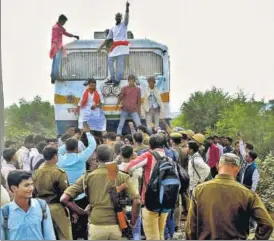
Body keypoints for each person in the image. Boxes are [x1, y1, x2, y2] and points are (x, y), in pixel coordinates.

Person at [60, 144, 141, 240]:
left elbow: (64, 199)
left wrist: (82, 212)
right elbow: (137, 201)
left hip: (96, 225)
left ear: (97, 158)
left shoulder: (88, 177)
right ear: (113, 157)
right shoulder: (122, 177)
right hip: (119, 224)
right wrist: (132, 222)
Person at [186, 153, 274, 240]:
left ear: (217, 166)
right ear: (238, 169)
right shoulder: (247, 194)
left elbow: (191, 228)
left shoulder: (199, 190)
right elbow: (267, 224)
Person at [125, 134, 170, 240]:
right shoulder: (168, 157)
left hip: (150, 200)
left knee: (152, 236)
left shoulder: (148, 155)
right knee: (160, 234)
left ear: (150, 145)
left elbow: (129, 167)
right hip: (166, 200)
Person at [58, 125, 96, 239]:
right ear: (76, 148)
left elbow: (58, 150)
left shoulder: (60, 160)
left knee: (70, 220)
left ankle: (73, 236)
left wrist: (69, 143)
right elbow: (93, 145)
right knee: (84, 219)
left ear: (66, 148)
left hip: (67, 194)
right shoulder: (81, 158)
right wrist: (88, 133)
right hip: (81, 194)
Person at [1, 170, 56, 240]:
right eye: (27, 185)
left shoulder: (42, 206)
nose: (31, 188)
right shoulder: (4, 213)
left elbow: (50, 237)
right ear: (14, 188)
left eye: (31, 184)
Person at [33, 146, 73, 240]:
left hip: (40, 207)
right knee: (65, 235)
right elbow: (66, 192)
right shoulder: (59, 172)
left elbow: (34, 191)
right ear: (55, 157)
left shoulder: (37, 172)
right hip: (56, 207)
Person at [98, 2, 130, 86]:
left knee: (120, 64)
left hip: (122, 47)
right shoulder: (112, 28)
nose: (118, 17)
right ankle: (112, 78)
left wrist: (127, 7)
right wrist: (100, 48)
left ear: (121, 18)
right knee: (110, 61)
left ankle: (117, 80)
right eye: (117, 16)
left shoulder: (124, 25)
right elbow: (107, 39)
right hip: (115, 47)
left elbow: (127, 17)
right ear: (115, 18)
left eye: (120, 16)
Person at [118, 145, 142, 240]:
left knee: (123, 233)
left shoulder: (117, 168)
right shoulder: (138, 169)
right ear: (132, 155)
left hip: (121, 205)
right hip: (135, 202)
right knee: (136, 231)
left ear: (120, 154)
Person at [50, 14, 79, 81]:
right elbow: (54, 38)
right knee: (57, 62)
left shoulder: (60, 28)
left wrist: (74, 36)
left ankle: (53, 76)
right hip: (56, 47)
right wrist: (57, 46)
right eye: (64, 22)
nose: (64, 23)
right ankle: (55, 76)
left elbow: (65, 33)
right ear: (61, 20)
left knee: (56, 62)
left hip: (58, 46)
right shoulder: (55, 27)